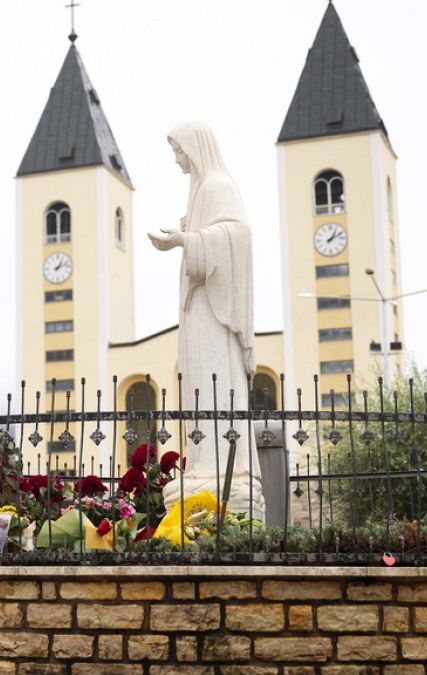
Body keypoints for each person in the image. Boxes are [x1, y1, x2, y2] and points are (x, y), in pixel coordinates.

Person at [148, 121, 264, 520]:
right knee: (200, 386)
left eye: (179, 151)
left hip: (215, 315)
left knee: (217, 385)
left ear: (195, 148)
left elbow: (238, 234)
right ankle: (203, 467)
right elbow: (213, 234)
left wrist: (185, 240)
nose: (177, 159)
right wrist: (189, 235)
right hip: (199, 312)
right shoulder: (199, 190)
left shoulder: (216, 185)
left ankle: (224, 470)